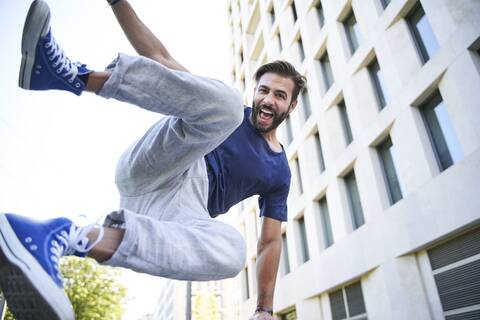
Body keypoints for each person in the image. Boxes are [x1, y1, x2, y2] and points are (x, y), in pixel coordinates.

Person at [0, 0, 306, 319]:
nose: (267, 100)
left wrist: (264, 308)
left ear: (292, 106)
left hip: (176, 210)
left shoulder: (279, 172)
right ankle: (71, 75)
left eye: (279, 96)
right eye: (263, 91)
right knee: (226, 104)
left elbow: (269, 242)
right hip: (159, 165)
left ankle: (62, 237)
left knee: (233, 252)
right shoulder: (227, 115)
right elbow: (160, 58)